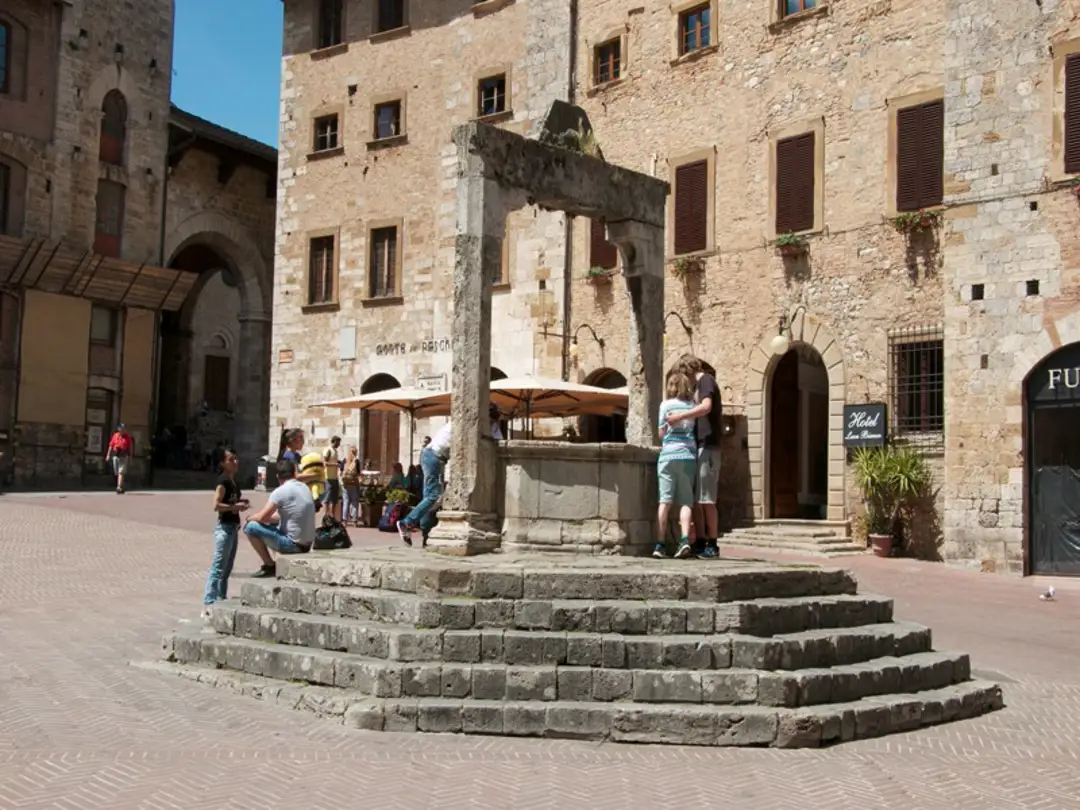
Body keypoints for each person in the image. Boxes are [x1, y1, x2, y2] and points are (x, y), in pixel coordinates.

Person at [397, 406, 502, 547]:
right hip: (434, 457)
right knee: (434, 496)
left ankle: (425, 536)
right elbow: (490, 440)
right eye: (491, 421)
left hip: (433, 457)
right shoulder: (467, 423)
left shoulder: (465, 421)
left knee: (432, 498)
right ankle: (407, 523)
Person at [666, 354, 723, 558]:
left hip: (708, 445)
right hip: (698, 446)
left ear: (688, 370)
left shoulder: (706, 380)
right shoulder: (696, 387)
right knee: (697, 499)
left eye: (683, 376)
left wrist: (680, 416)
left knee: (707, 499)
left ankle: (712, 545)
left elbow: (706, 407)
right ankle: (700, 541)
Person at [242, 459, 316, 578]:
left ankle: (269, 565)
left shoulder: (281, 491)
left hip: (293, 545)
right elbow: (280, 516)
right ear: (294, 473)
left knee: (250, 527)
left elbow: (262, 517)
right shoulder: (304, 487)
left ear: (278, 476)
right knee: (271, 525)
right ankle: (276, 560)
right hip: (307, 544)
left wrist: (250, 518)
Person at [654, 371, 698, 559]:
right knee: (686, 502)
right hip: (688, 454)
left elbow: (661, 434)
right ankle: (684, 540)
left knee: (665, 501)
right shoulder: (692, 406)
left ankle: (660, 544)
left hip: (668, 455)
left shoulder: (665, 405)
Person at [201, 448, 248, 617]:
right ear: (222, 463)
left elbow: (231, 501)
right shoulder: (223, 481)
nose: (235, 462)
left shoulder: (233, 481)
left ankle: (220, 598)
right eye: (231, 460)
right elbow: (216, 505)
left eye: (236, 458)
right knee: (218, 566)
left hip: (233, 528)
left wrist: (241, 503)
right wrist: (236, 507)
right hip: (224, 528)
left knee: (227, 567)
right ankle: (208, 601)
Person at [105, 423, 133, 494]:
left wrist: (130, 457)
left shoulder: (127, 437)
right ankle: (121, 486)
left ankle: (119, 487)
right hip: (115, 455)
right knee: (116, 472)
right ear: (119, 429)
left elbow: (130, 448)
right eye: (121, 429)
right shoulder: (115, 436)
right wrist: (108, 455)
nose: (123, 430)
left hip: (123, 456)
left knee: (121, 472)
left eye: (124, 429)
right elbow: (111, 445)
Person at [323, 436, 343, 521]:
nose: (339, 444)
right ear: (334, 441)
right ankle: (326, 516)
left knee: (334, 498)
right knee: (327, 498)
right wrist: (336, 465)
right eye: (338, 442)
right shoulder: (328, 450)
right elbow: (325, 463)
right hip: (328, 477)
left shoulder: (335, 451)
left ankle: (333, 516)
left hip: (335, 477)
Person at [341, 445, 361, 526]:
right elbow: (358, 473)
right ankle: (355, 520)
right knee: (354, 502)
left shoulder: (345, 460)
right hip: (353, 484)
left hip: (345, 484)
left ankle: (345, 520)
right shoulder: (356, 461)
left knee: (346, 502)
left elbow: (341, 471)